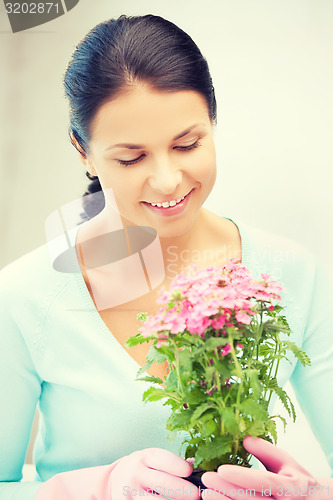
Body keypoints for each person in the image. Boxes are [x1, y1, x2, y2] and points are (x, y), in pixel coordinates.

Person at [0, 14, 332, 500]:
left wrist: (312, 494)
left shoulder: (293, 275)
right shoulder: (24, 296)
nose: (168, 180)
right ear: (83, 153)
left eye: (187, 144)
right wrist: (96, 488)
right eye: (131, 158)